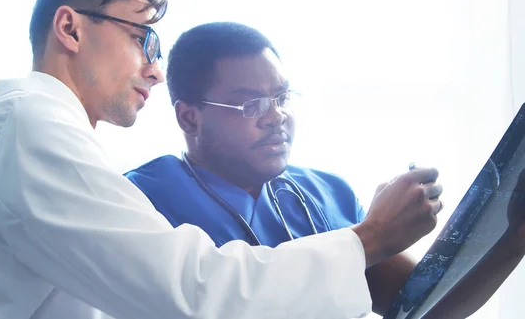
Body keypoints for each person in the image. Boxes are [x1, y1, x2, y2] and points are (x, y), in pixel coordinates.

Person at [0, 0, 449, 318]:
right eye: (143, 39)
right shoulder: (31, 125)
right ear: (71, 28)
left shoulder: (35, 131)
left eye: (281, 97)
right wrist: (369, 237)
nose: (155, 68)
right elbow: (193, 293)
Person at [125, 22, 525, 318]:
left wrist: (512, 240)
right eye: (252, 105)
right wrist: (376, 232)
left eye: (281, 97)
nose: (277, 117)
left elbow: (419, 308)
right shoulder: (140, 202)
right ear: (189, 119)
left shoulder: (326, 192)